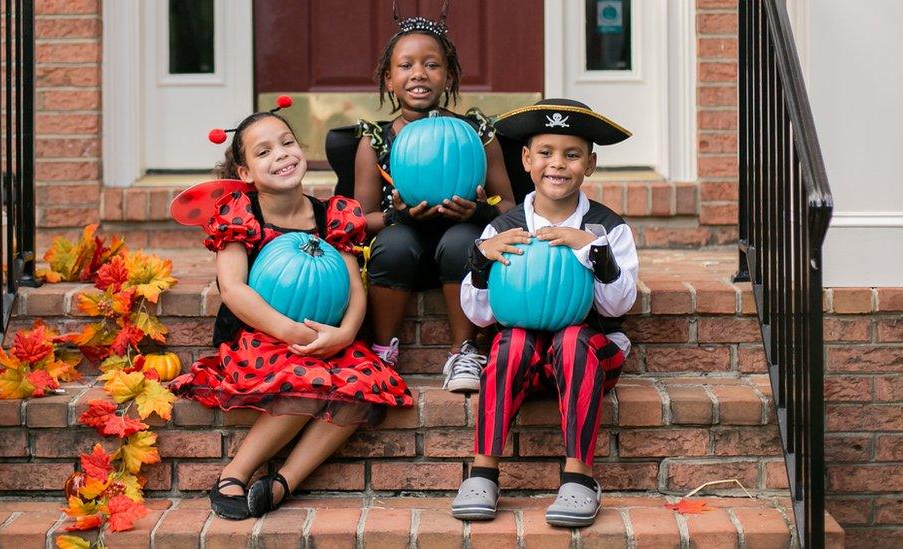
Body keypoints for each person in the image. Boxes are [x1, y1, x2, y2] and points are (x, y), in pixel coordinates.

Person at [168, 100, 412, 521]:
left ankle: (283, 483)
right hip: (260, 334)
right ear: (244, 173)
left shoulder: (331, 214)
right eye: (263, 152)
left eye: (287, 143)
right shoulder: (240, 216)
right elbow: (234, 290)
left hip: (327, 334)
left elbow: (355, 286)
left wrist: (345, 333)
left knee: (365, 385)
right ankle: (236, 472)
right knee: (309, 380)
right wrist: (291, 333)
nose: (281, 154)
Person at [451, 98, 639, 527]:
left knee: (572, 338)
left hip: (588, 353)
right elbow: (480, 315)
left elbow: (619, 303)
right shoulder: (502, 228)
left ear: (589, 164)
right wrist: (482, 262)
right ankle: (483, 472)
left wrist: (590, 250)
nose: (558, 165)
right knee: (508, 340)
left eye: (572, 155)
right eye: (546, 153)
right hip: (527, 361)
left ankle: (579, 478)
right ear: (526, 160)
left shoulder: (606, 228)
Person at [351, 1, 517, 393]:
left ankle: (464, 351)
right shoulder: (376, 140)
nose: (419, 74)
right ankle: (382, 352)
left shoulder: (475, 132)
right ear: (389, 80)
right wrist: (398, 217)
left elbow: (509, 207)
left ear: (449, 76)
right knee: (393, 243)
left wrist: (478, 211)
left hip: (460, 250)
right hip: (400, 255)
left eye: (432, 64)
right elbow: (360, 219)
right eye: (406, 66)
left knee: (463, 240)